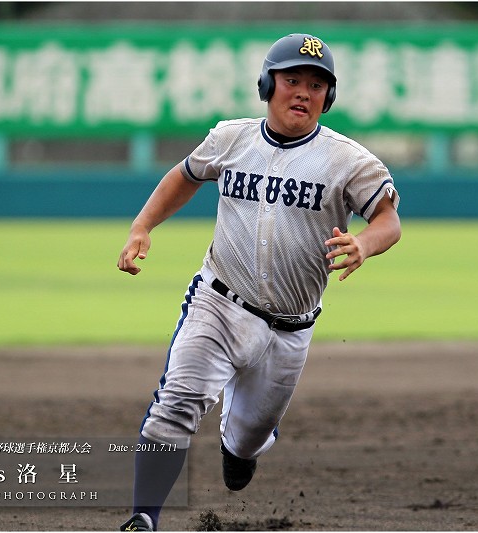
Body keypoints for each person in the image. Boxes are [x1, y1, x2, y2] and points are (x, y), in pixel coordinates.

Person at [116, 33, 401, 532]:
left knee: (246, 440)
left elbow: (387, 220)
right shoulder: (231, 138)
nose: (303, 92)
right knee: (176, 402)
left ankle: (239, 446)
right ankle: (144, 517)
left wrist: (365, 244)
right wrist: (142, 226)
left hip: (290, 330)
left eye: (317, 85)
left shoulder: (348, 161)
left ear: (327, 98)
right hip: (219, 302)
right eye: (292, 80)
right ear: (268, 85)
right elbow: (185, 175)